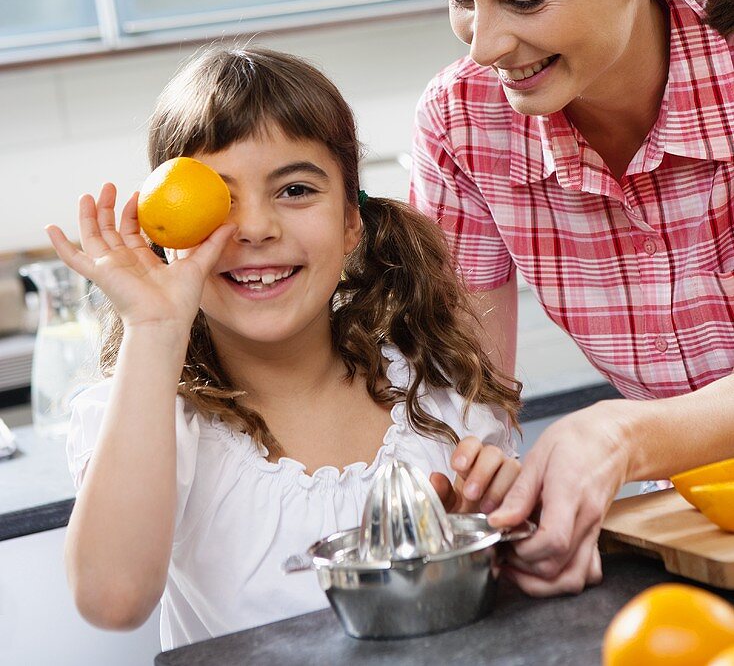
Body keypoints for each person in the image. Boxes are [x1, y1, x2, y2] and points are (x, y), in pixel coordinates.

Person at [46, 46, 522, 650]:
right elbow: (113, 600)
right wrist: (155, 329)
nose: (255, 228)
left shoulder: (443, 397)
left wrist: (494, 536)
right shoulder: (153, 420)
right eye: (218, 199)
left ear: (352, 221)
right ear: (168, 228)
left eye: (295, 189)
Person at [410, 0, 734, 598]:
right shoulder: (463, 125)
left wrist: (624, 435)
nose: (483, 44)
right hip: (691, 533)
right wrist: (492, 491)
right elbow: (465, 389)